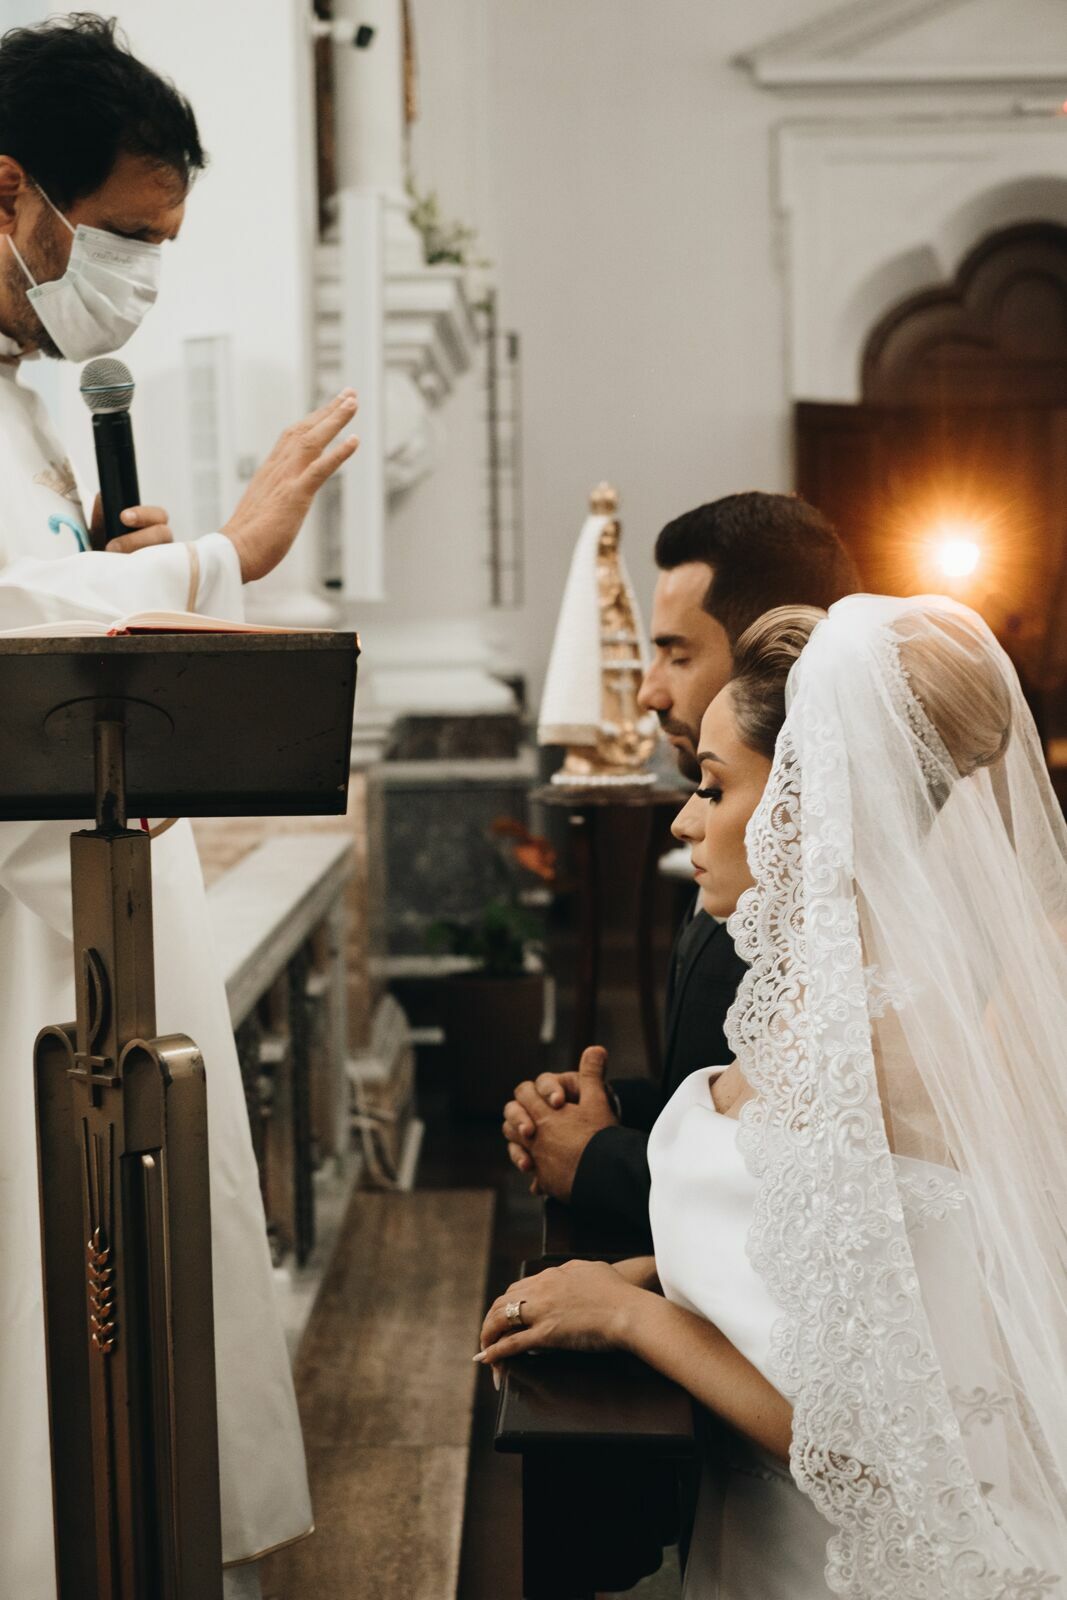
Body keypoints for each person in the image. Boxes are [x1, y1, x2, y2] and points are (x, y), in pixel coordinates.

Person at [481, 595, 1067, 1595]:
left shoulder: (893, 1046)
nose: (683, 817)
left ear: (810, 799)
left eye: (712, 787)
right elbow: (823, 1260)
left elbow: (880, 1455)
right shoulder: (799, 1001)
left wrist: (633, 1320)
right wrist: (638, 1272)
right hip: (749, 1538)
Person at [0, 17, 359, 1599]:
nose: (144, 275)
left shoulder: (29, 385)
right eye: (132, 237)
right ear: (14, 196)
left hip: (76, 893)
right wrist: (217, 558)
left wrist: (120, 562)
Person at [503, 492, 858, 1240]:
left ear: (771, 651)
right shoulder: (740, 853)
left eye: (677, 652)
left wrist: (598, 1162)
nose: (647, 690)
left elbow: (820, 1200)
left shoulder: (850, 899)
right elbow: (740, 1089)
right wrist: (611, 1108)